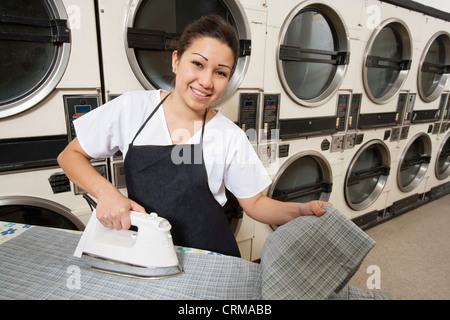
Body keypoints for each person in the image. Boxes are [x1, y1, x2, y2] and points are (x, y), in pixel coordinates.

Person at [57, 14, 330, 257]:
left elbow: (256, 204)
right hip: (148, 252)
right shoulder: (132, 109)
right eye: (198, 64)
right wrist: (107, 194)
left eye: (220, 73)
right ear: (176, 60)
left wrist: (301, 210)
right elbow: (70, 155)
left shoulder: (229, 136)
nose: (207, 81)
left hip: (209, 254)